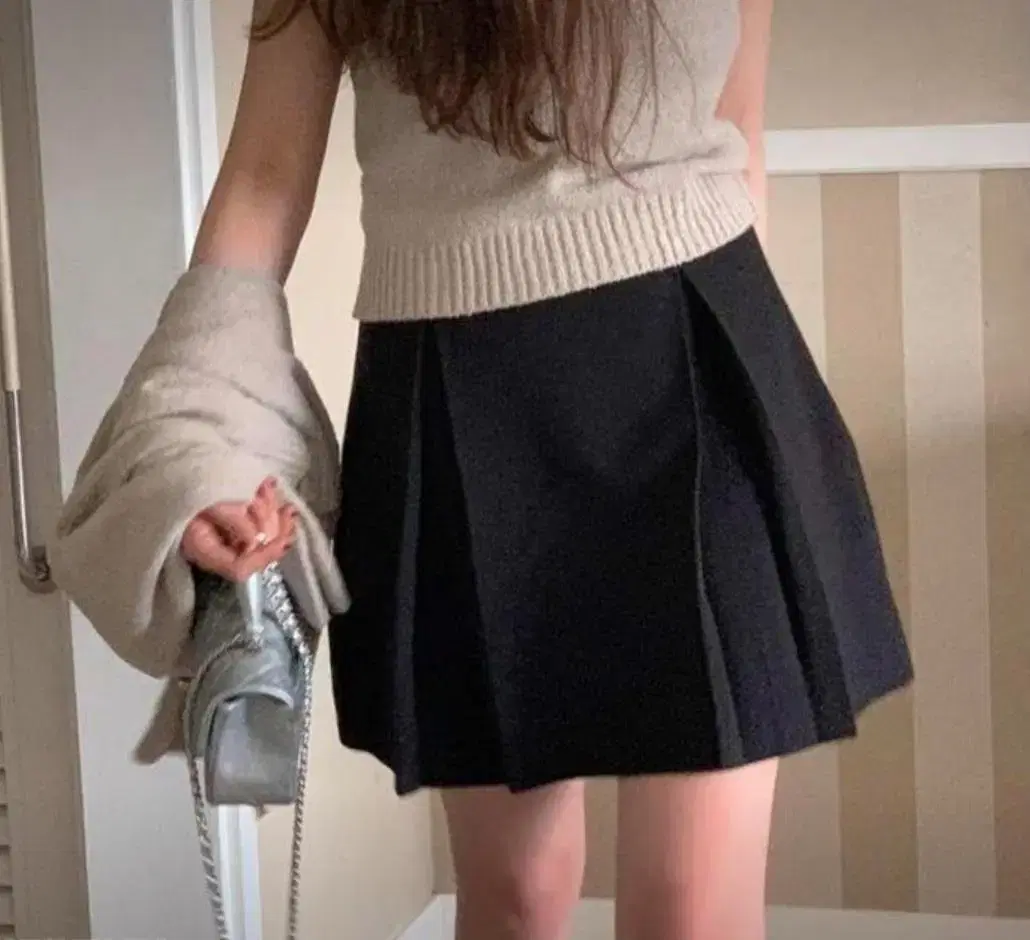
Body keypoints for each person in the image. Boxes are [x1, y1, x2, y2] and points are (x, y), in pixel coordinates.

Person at [180, 0, 914, 937]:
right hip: (450, 386)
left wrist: (742, 393)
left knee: (692, 911)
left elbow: (739, 123)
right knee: (516, 896)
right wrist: (206, 436)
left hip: (697, 358)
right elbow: (262, 177)